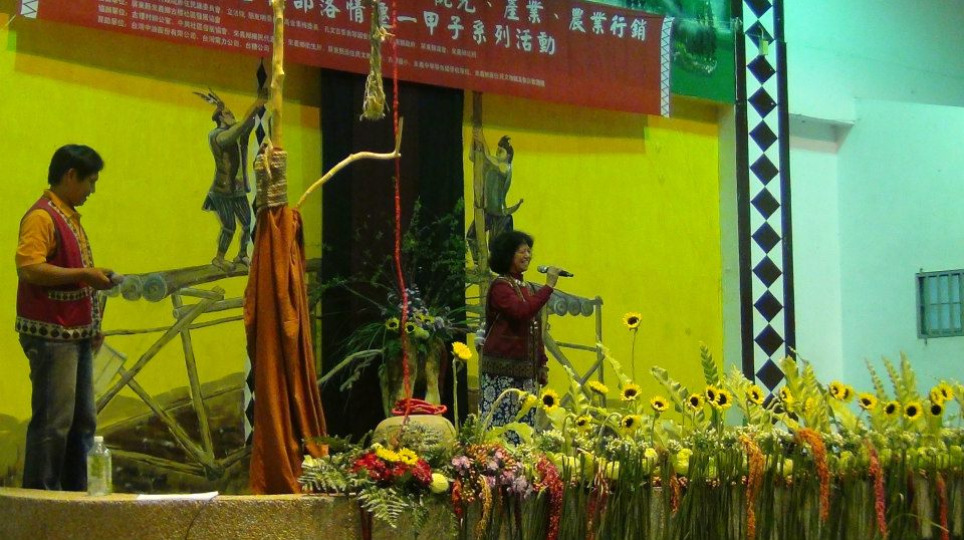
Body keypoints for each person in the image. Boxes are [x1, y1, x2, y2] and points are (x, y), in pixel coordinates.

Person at [15, 144, 117, 490]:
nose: (92, 190)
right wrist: (85, 275)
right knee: (53, 423)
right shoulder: (42, 217)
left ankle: (77, 498)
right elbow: (29, 268)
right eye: (90, 181)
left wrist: (92, 324)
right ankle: (41, 501)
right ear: (70, 176)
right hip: (52, 337)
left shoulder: (66, 216)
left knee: (82, 421)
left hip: (75, 335)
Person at [478, 230, 561, 434]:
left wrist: (542, 364)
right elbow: (521, 311)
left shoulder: (527, 288)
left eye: (529, 251)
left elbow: (534, 328)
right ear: (508, 255)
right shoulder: (500, 286)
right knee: (500, 430)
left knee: (523, 432)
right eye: (522, 251)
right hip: (501, 375)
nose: (528, 256)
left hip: (526, 375)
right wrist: (549, 286)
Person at [196, 88, 268, 270]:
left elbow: (246, 124)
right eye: (228, 113)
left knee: (247, 224)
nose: (232, 115)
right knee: (229, 227)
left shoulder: (236, 134)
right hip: (222, 191)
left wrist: (258, 107)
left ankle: (242, 254)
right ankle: (219, 258)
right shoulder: (217, 136)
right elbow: (242, 126)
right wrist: (257, 103)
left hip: (237, 189)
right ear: (220, 117)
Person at [466, 126, 523, 264]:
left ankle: (497, 268)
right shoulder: (492, 165)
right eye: (497, 150)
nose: (497, 153)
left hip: (500, 215)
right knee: (471, 236)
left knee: (496, 246)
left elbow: (487, 156)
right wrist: (474, 139)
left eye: (501, 151)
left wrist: (482, 139)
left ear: (508, 155)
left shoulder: (505, 167)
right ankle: (478, 263)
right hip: (488, 212)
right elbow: (474, 157)